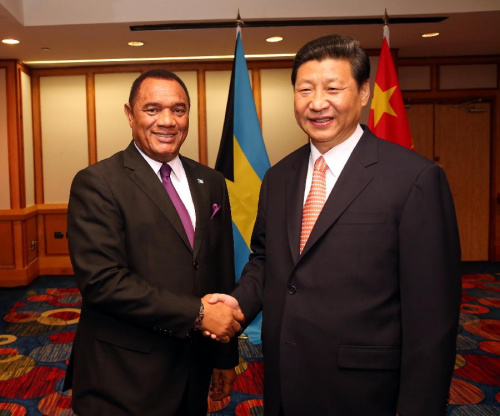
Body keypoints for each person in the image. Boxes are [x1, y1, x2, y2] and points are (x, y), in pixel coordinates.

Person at [208, 35, 462, 415]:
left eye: (332, 88)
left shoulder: (414, 179)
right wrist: (238, 301)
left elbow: (433, 317)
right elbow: (265, 259)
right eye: (305, 89)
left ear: (363, 93)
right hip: (284, 377)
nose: (317, 103)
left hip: (365, 389)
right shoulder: (279, 177)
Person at [63, 69, 243, 416]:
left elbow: (221, 272)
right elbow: (103, 283)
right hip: (123, 375)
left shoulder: (212, 181)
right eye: (152, 109)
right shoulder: (98, 182)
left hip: (194, 366)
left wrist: (225, 355)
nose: (167, 121)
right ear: (130, 114)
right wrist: (199, 314)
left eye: (178, 109)